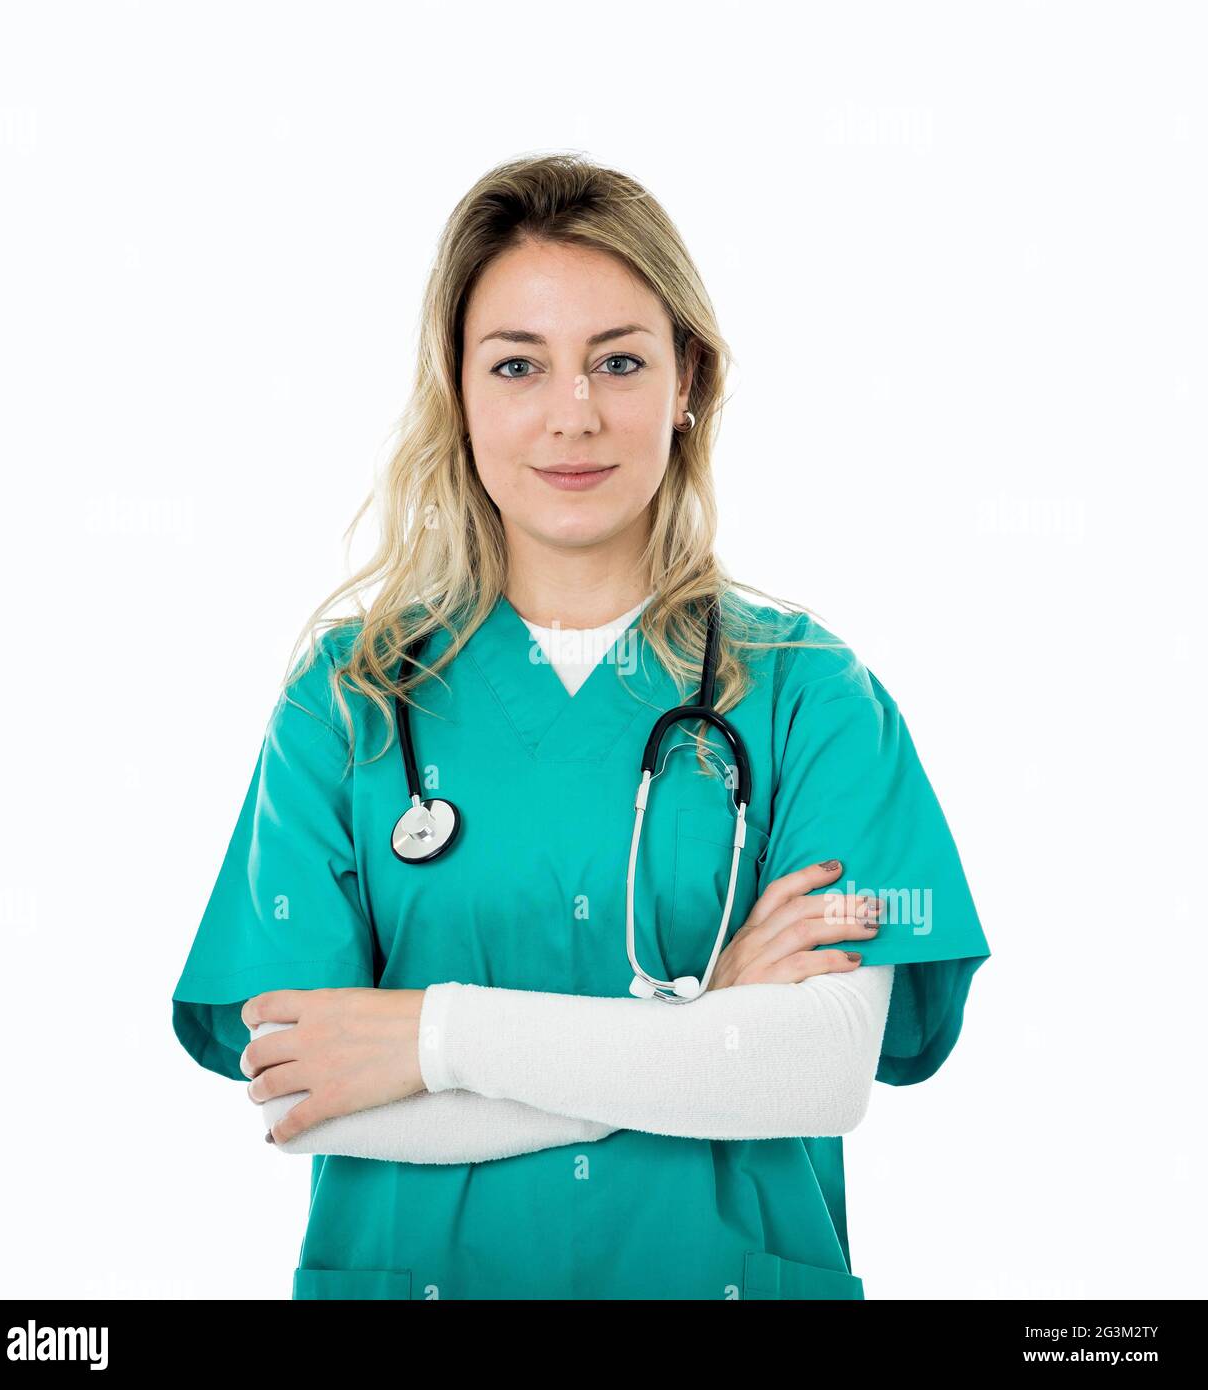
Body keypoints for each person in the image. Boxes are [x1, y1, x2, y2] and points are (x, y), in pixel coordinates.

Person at [171, 153, 990, 1301]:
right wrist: (708, 1033)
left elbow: (811, 1071)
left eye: (619, 359)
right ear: (456, 388)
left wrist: (429, 1039)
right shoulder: (349, 700)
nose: (576, 413)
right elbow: (304, 1094)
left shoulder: (812, 693)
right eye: (518, 364)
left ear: (686, 378)